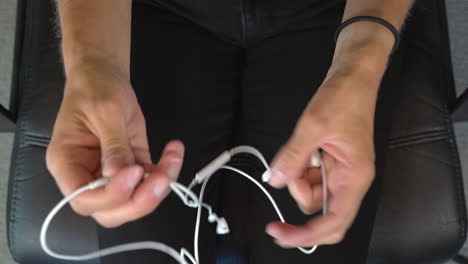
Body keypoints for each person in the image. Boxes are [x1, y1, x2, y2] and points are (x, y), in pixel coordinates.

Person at [46, 0, 414, 263]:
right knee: (140, 242)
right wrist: (93, 62)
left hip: (337, 13)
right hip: (149, 11)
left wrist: (361, 62)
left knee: (317, 232)